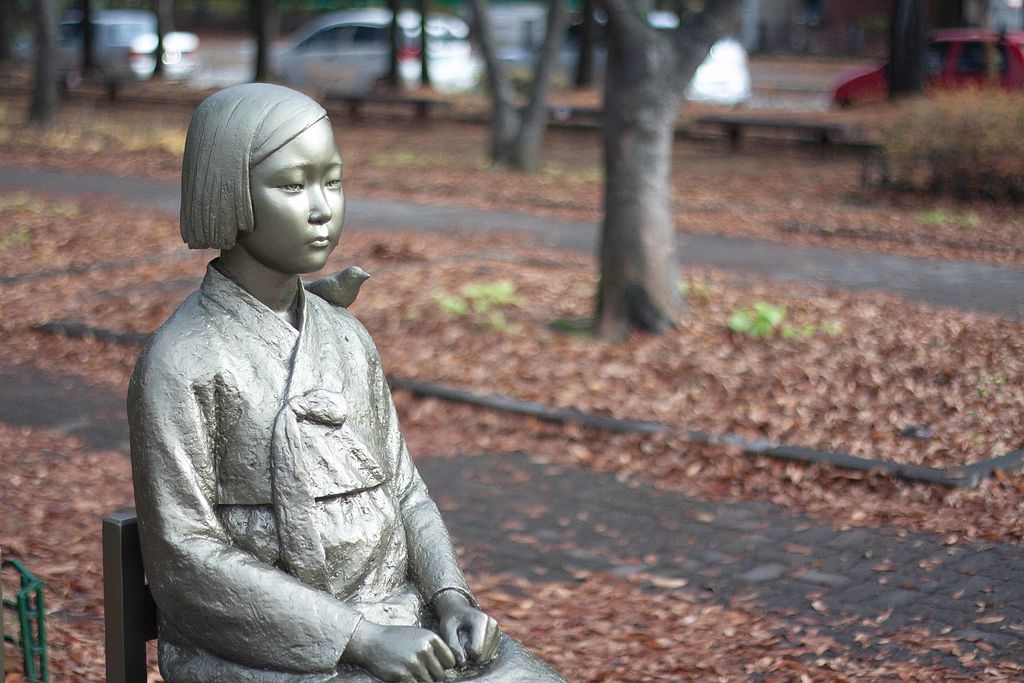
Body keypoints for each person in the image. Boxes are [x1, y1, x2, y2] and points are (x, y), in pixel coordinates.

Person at [128, 83, 563, 683]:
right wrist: (356, 638)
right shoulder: (183, 361)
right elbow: (186, 559)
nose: (320, 207)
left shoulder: (347, 338)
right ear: (227, 192)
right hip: (260, 654)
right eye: (291, 184)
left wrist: (449, 594)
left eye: (331, 181)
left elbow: (403, 489)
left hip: (400, 617)